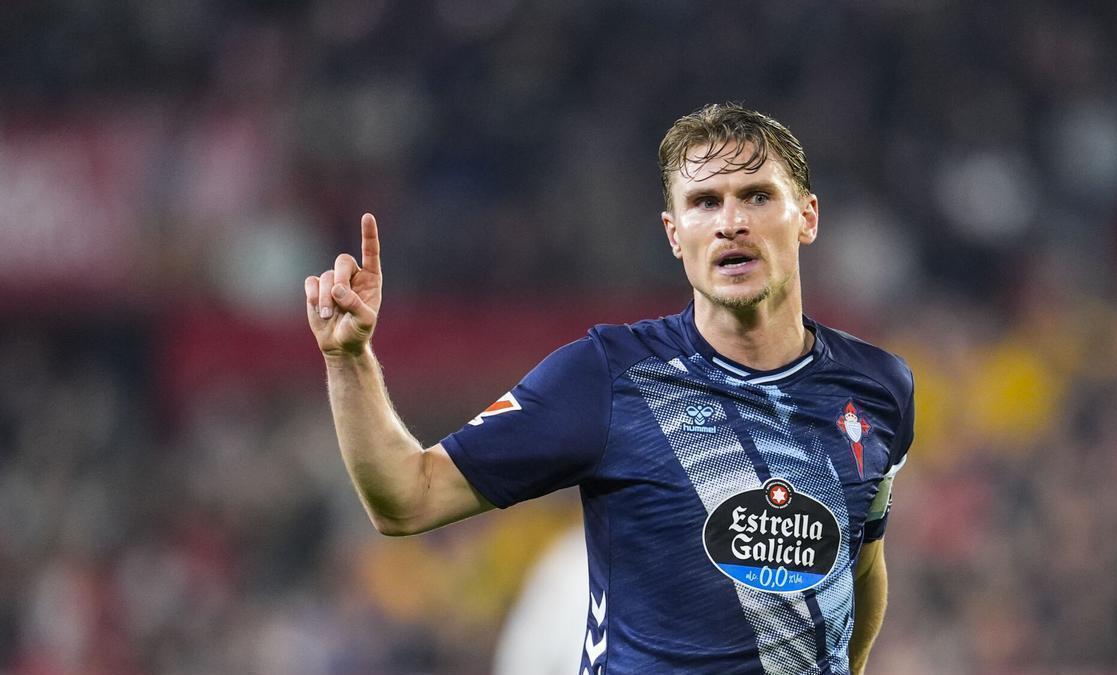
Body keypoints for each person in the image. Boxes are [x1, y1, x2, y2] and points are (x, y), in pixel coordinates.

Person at [304, 103, 914, 675]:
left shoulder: (881, 389)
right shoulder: (605, 376)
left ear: (806, 216)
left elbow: (863, 567)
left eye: (756, 196)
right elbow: (408, 498)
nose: (731, 223)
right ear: (676, 235)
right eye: (705, 202)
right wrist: (349, 359)